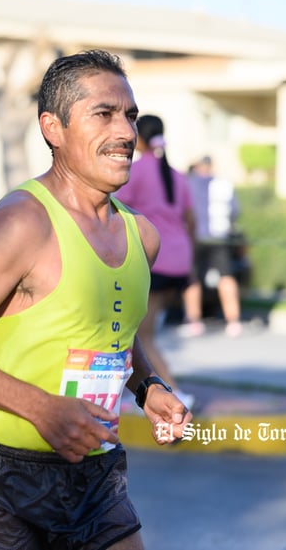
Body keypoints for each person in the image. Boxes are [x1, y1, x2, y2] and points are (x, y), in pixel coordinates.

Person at [0, 49, 192, 550]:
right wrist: (41, 409)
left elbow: (113, 335)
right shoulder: (21, 223)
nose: (125, 132)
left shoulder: (141, 235)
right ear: (52, 128)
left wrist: (148, 387)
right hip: (5, 481)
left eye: (130, 116)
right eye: (104, 113)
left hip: (97, 475)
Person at [113, 114, 196, 409]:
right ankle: (129, 390)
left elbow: (115, 209)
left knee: (142, 336)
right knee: (142, 331)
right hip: (179, 259)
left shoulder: (135, 171)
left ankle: (175, 394)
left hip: (154, 261)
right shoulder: (177, 175)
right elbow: (190, 220)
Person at [181, 155, 244, 338]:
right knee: (226, 277)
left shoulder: (189, 183)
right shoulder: (224, 184)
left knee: (193, 278)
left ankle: (194, 320)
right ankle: (233, 321)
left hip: (196, 236)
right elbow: (234, 211)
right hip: (220, 236)